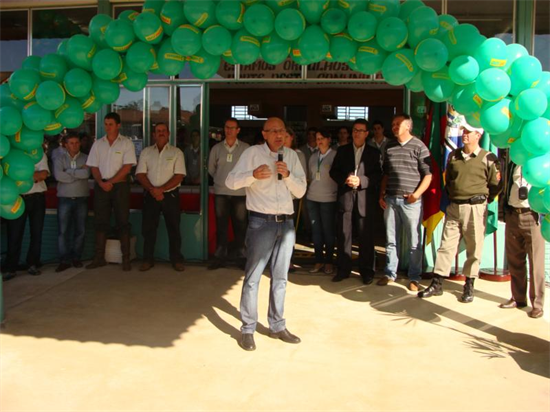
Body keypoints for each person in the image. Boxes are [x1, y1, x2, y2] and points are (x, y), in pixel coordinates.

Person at [226, 117, 307, 352]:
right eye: (273, 131)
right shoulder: (252, 153)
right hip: (261, 222)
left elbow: (301, 191)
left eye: (282, 131)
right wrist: (252, 174)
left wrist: (288, 175)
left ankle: (277, 326)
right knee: (253, 278)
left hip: (286, 224)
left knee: (280, 278)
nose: (279, 135)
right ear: (264, 134)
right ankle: (248, 329)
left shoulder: (291, 156)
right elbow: (230, 182)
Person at [419, 120, 501, 302]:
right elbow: (448, 180)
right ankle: (437, 283)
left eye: (469, 132)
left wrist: (481, 200)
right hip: (454, 207)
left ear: (478, 135)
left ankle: (469, 284)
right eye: (463, 131)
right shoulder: (453, 156)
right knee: (446, 246)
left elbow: (495, 185)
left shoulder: (488, 158)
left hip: (475, 208)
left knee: (474, 247)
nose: (464, 134)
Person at [378, 113, 432, 291]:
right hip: (391, 199)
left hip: (411, 202)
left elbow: (428, 175)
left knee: (414, 241)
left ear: (408, 126)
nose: (394, 127)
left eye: (398, 124)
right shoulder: (389, 146)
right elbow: (386, 173)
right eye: (393, 124)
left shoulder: (419, 146)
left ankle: (414, 277)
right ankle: (389, 273)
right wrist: (382, 194)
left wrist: (416, 195)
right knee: (391, 240)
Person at [330, 119, 382, 284]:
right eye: (354, 130)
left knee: (366, 237)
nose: (356, 133)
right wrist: (345, 179)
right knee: (344, 235)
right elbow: (333, 172)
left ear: (366, 133)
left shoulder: (374, 153)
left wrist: (361, 181)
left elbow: (378, 175)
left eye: (360, 130)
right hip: (346, 197)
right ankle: (343, 269)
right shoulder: (342, 150)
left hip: (364, 199)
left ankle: (366, 271)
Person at [86, 112, 137, 271]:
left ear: (118, 125)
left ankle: (126, 258)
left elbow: (127, 167)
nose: (107, 127)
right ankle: (99, 257)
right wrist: (101, 182)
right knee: (100, 221)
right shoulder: (98, 144)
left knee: (123, 221)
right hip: (101, 186)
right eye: (106, 124)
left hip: (120, 187)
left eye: (111, 124)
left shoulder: (126, 143)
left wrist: (111, 182)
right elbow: (93, 166)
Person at [135, 122, 186, 272]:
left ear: (168, 134)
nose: (161, 133)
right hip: (151, 195)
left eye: (164, 130)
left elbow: (179, 176)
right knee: (149, 229)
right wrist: (153, 190)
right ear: (154, 135)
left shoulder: (176, 152)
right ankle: (147, 260)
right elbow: (140, 174)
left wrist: (161, 190)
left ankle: (176, 260)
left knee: (174, 229)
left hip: (170, 196)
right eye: (158, 131)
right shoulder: (146, 152)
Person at [499, 162, 545, 318]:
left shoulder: (541, 163)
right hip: (513, 214)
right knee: (515, 260)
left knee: (536, 262)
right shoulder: (514, 162)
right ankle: (518, 298)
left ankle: (537, 304)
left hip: (533, 215)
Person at [207, 118, 250, 270]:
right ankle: (220, 257)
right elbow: (211, 169)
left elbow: (250, 169)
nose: (229, 130)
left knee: (241, 225)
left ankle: (242, 256)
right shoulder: (216, 148)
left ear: (238, 130)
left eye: (232, 128)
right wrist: (221, 180)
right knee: (221, 225)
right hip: (221, 192)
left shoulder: (246, 148)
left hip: (240, 193)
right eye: (227, 127)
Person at [2, 151, 50, 281]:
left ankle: (33, 264)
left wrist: (20, 176)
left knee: (36, 233)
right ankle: (10, 268)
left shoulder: (38, 154)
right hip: (17, 199)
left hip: (37, 198)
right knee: (14, 234)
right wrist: (32, 175)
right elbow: (7, 176)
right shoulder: (12, 155)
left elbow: (43, 174)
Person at [53, 132, 90, 272]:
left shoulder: (86, 158)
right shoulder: (59, 158)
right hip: (64, 198)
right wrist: (77, 173)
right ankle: (64, 260)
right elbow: (58, 176)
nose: (74, 145)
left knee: (80, 230)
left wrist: (68, 171)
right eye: (71, 143)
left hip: (81, 198)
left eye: (77, 142)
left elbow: (86, 174)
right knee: (63, 231)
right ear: (66, 145)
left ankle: (76, 258)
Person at [306, 129, 338, 275]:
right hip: (312, 197)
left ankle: (329, 261)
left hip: (329, 198)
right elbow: (310, 176)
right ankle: (318, 260)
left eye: (322, 138)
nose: (319, 141)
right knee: (316, 231)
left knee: (328, 231)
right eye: (317, 138)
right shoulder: (313, 157)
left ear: (329, 139)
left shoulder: (335, 155)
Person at [283, 127, 307, 272]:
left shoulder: (298, 154)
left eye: (287, 136)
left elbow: (302, 178)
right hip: (275, 198)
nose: (284, 139)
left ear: (292, 138)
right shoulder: (275, 152)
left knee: (289, 230)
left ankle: (289, 260)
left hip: (292, 197)